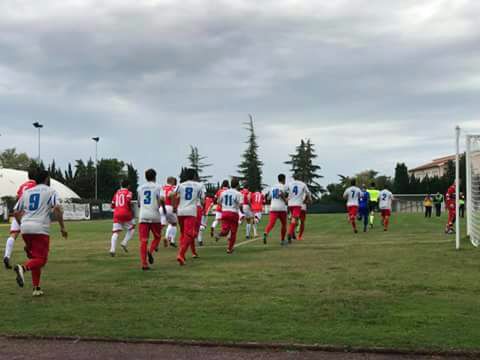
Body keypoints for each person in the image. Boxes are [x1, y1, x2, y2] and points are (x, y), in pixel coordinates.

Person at [13, 170, 68, 297]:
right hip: (40, 228)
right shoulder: (50, 191)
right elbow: (58, 208)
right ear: (46, 179)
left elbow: (16, 211)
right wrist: (62, 228)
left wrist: (23, 225)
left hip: (25, 227)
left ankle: (36, 288)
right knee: (41, 260)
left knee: (35, 258)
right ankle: (23, 268)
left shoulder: (26, 192)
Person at [3, 168, 37, 270]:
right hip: (28, 213)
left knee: (13, 235)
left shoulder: (23, 185)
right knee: (34, 236)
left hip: (18, 211)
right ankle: (31, 253)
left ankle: (7, 256)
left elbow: (18, 197)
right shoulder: (37, 185)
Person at [173, 168, 205, 265]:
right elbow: (203, 199)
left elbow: (173, 195)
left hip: (180, 211)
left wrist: (174, 206)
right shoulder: (199, 185)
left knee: (183, 233)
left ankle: (183, 254)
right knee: (190, 234)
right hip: (191, 211)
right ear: (194, 176)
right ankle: (181, 254)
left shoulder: (180, 185)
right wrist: (203, 205)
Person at [137, 169, 165, 270]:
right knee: (157, 237)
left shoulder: (140, 188)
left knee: (143, 241)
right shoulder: (158, 187)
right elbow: (162, 199)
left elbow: (139, 203)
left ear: (146, 177)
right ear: (155, 176)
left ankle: (144, 264)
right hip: (154, 215)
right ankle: (151, 250)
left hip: (143, 215)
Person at [215, 178, 243, 253]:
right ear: (237, 185)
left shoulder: (224, 192)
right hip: (233, 213)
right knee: (233, 232)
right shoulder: (238, 193)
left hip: (224, 212)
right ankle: (229, 249)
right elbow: (240, 205)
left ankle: (219, 234)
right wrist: (242, 212)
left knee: (225, 231)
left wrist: (224, 207)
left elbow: (218, 202)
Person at [109, 179, 135, 256]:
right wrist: (131, 211)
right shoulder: (129, 192)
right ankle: (124, 242)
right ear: (128, 186)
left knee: (115, 232)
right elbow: (128, 201)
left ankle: (112, 249)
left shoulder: (116, 193)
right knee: (132, 228)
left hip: (117, 214)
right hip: (126, 213)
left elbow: (112, 205)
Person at [263, 174, 289, 245]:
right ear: (284, 179)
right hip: (281, 208)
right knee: (284, 225)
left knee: (271, 223)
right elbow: (281, 194)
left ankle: (266, 232)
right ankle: (282, 240)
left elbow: (268, 198)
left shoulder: (272, 187)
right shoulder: (284, 186)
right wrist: (286, 200)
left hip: (273, 207)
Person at [286, 176, 311, 243]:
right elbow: (308, 194)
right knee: (302, 222)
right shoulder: (303, 185)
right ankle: (299, 236)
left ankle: (292, 232)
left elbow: (287, 193)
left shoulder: (290, 184)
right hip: (301, 205)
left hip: (291, 204)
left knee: (292, 220)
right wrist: (309, 200)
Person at [162, 177, 178, 248]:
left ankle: (166, 238)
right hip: (169, 207)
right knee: (174, 224)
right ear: (171, 181)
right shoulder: (172, 188)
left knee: (164, 224)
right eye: (174, 181)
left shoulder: (162, 188)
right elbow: (172, 196)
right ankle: (171, 240)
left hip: (161, 208)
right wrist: (175, 207)